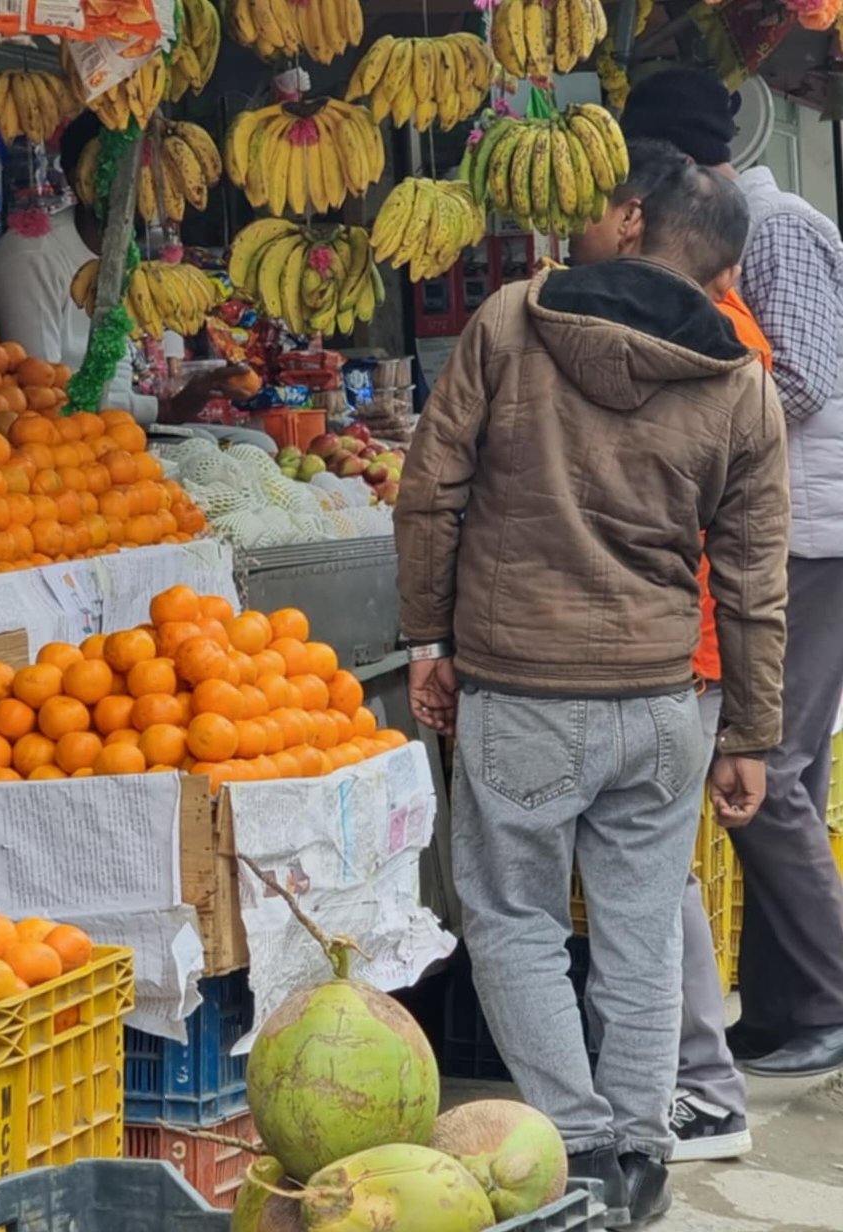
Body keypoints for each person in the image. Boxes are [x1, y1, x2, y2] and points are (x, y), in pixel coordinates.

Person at [396, 158, 789, 1228]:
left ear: (627, 223)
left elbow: (430, 490)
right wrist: (750, 729)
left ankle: (572, 1144)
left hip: (518, 686)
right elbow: (755, 579)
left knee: (515, 918)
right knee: (640, 928)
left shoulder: (509, 323)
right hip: (664, 699)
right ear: (726, 267)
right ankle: (640, 1152)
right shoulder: (739, 381)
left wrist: (427, 636)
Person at [620, 67, 843, 1081]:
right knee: (767, 773)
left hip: (806, 530)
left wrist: (683, 417)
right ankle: (789, 1002)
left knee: (774, 774)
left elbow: (800, 374)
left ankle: (831, 995)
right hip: (775, 525)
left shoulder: (772, 221)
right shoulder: (725, 225)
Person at [568, 138, 768, 1163]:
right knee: (650, 877)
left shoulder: (695, 344)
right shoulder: (718, 334)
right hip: (676, 646)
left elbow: (741, 544)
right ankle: (683, 1082)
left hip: (666, 646)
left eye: (597, 209)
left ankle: (697, 1085)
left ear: (634, 219)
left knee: (647, 883)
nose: (584, 225)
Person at [0, 113, 239, 425]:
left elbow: (115, 384)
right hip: (44, 442)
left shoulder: (126, 259)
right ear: (79, 178)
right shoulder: (31, 257)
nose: (139, 190)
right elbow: (43, 393)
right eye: (124, 177)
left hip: (110, 432)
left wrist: (183, 401)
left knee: (251, 444)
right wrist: (166, 410)